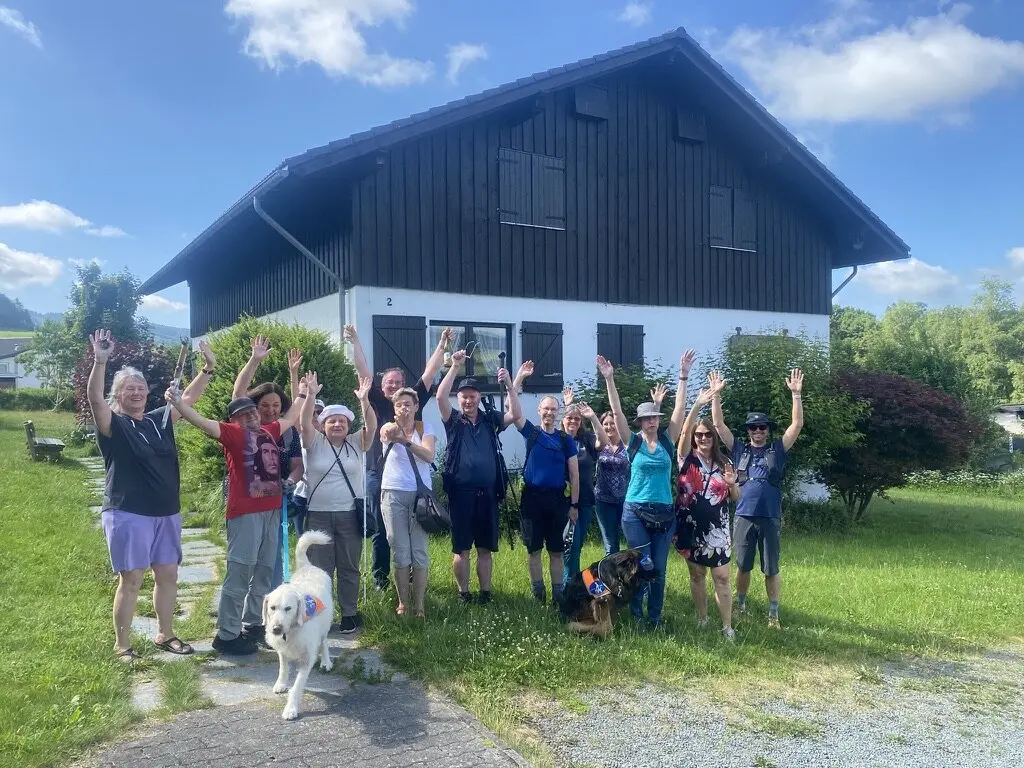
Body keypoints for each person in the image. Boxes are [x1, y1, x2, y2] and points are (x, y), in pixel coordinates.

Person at [88, 329, 215, 661]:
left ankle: (165, 634)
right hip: (128, 511)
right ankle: (122, 645)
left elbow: (186, 400)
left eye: (141, 387)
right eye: (129, 388)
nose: (136, 392)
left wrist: (207, 369)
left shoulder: (159, 420)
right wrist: (100, 362)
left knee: (168, 574)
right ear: (118, 395)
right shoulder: (112, 424)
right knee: (131, 579)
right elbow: (95, 401)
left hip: (167, 512)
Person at [167, 359, 301, 655]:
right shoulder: (231, 434)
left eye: (252, 411)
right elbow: (199, 421)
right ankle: (227, 634)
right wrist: (179, 403)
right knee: (241, 571)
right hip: (245, 513)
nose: (251, 416)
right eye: (243, 414)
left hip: (272, 510)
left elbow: (291, 417)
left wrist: (304, 393)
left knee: (265, 570)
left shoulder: (270, 431)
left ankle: (254, 624)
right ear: (234, 420)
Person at [345, 325, 452, 591]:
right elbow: (362, 372)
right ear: (382, 387)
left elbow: (429, 374)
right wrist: (356, 341)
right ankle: (382, 579)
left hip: (411, 479)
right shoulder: (377, 401)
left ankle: (412, 577)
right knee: (383, 530)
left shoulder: (412, 400)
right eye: (388, 382)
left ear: (405, 389)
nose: (393, 386)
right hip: (377, 473)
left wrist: (441, 346)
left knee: (414, 529)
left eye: (397, 383)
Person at [599, 350, 695, 629]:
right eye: (647, 418)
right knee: (643, 565)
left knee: (660, 571)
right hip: (635, 512)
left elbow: (679, 409)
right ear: (640, 422)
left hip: (665, 512)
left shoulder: (667, 441)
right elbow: (616, 412)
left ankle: (655, 619)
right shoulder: (633, 443)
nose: (652, 421)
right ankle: (637, 616)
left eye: (655, 417)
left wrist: (683, 375)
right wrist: (609, 379)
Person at [710, 368, 804, 629]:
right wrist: (716, 395)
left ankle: (773, 614)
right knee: (742, 565)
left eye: (762, 427)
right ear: (749, 430)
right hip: (743, 514)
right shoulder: (739, 448)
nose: (758, 430)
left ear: (767, 430)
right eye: (753, 427)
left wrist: (796, 394)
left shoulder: (777, 449)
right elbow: (718, 426)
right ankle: (740, 606)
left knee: (771, 568)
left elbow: (796, 426)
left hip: (770, 515)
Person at [435, 349, 523, 603]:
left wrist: (509, 384)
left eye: (472, 396)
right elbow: (440, 396)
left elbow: (515, 415)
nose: (468, 401)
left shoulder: (489, 419)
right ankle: (464, 593)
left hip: (487, 494)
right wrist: (454, 367)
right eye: (463, 397)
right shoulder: (453, 420)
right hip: (460, 495)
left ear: (479, 397)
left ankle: (486, 593)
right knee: (461, 549)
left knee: (485, 549)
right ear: (459, 399)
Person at [299, 373, 376, 634]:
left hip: (349, 515)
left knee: (348, 566)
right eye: (331, 421)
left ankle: (349, 614)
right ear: (323, 424)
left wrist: (364, 401)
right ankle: (317, 616)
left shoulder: (357, 442)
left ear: (348, 424)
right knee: (319, 570)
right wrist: (310, 395)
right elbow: (303, 422)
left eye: (342, 421)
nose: (337, 425)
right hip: (318, 514)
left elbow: (372, 426)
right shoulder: (314, 442)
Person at [231, 339, 306, 590]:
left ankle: (268, 607)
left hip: (275, 500)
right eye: (264, 405)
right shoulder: (244, 427)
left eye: (276, 405)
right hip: (245, 503)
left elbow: (297, 464)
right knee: (245, 559)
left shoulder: (286, 432)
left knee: (272, 558)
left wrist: (290, 482)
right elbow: (238, 393)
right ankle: (241, 610)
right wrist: (255, 360)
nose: (271, 410)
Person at [675, 382, 739, 640]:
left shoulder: (726, 463)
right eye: (699, 435)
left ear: (714, 438)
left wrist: (732, 485)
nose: (702, 438)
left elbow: (735, 498)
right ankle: (702, 619)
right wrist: (698, 404)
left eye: (707, 435)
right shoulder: (685, 458)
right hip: (690, 527)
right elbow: (683, 431)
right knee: (697, 574)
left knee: (722, 577)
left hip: (718, 529)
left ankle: (727, 626)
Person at [512, 371, 580, 605]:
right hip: (531, 500)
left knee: (556, 551)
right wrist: (518, 378)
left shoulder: (565, 439)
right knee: (533, 550)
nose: (550, 412)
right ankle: (538, 593)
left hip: (557, 501)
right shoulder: (531, 433)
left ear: (557, 412)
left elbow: (574, 473)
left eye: (553, 409)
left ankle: (558, 593)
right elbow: (514, 411)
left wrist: (574, 505)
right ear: (539, 411)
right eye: (546, 409)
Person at [379, 387, 437, 618]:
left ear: (416, 407)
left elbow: (429, 455)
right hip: (393, 494)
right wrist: (397, 431)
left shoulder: (425, 428)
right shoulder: (389, 427)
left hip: (420, 497)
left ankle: (420, 605)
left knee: (419, 551)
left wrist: (406, 441)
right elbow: (386, 432)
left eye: (408, 404)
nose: (404, 407)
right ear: (394, 409)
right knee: (400, 550)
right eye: (399, 404)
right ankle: (403, 603)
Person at [556, 388, 599, 589]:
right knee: (570, 547)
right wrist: (567, 405)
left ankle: (573, 585)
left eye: (577, 419)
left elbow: (604, 442)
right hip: (566, 502)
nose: (573, 421)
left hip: (587, 501)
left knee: (577, 545)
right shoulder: (558, 439)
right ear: (563, 420)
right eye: (569, 418)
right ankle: (567, 588)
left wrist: (593, 418)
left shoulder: (587, 440)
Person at [592, 409, 629, 556]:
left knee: (632, 541)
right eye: (605, 424)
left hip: (626, 501)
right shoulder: (599, 445)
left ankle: (630, 575)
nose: (609, 427)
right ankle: (611, 578)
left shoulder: (627, 444)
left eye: (612, 423)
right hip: (603, 501)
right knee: (610, 545)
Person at [290, 398, 324, 535]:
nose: (315, 416)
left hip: (323, 496)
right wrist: (294, 376)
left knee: (322, 537)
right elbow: (296, 407)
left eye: (319, 412)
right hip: (301, 494)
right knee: (303, 538)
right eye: (312, 412)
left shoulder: (333, 437)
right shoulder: (300, 436)